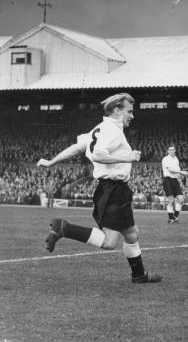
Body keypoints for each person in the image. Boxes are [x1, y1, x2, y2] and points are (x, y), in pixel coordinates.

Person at [36, 92, 161, 283]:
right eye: (129, 111)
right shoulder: (111, 130)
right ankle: (64, 228)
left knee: (132, 233)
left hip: (112, 190)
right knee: (109, 242)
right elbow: (98, 155)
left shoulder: (101, 128)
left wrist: (52, 161)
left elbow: (78, 147)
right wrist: (127, 157)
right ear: (117, 110)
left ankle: (139, 275)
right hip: (113, 190)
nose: (132, 115)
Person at [161, 145, 188, 223]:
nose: (172, 151)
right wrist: (182, 172)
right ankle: (171, 218)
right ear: (168, 151)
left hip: (175, 180)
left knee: (181, 199)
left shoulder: (176, 159)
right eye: (170, 150)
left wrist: (180, 181)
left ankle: (174, 217)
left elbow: (177, 171)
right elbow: (170, 170)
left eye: (173, 149)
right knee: (171, 200)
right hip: (167, 180)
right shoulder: (165, 159)